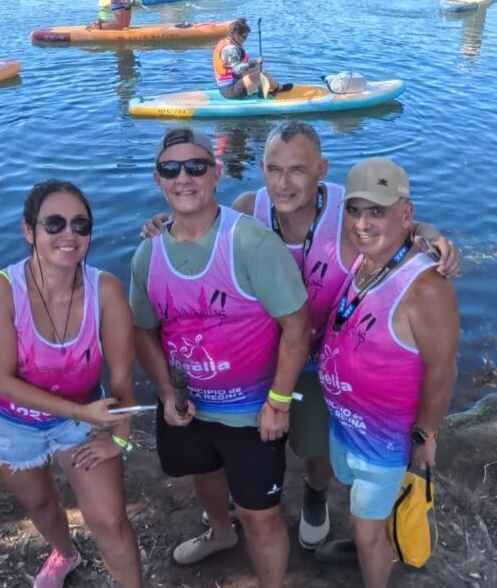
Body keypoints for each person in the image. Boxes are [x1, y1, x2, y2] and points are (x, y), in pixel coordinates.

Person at [141, 122, 459, 555]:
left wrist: (431, 234)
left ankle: (314, 492)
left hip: (317, 361)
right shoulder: (249, 207)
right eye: (274, 169)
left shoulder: (346, 214)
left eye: (298, 170)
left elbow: (396, 222)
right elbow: (202, 227)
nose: (283, 183)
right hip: (259, 358)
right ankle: (238, 497)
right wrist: (162, 224)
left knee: (314, 445)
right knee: (238, 436)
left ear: (321, 170)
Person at [130, 127, 310, 588]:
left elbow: (296, 325)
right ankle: (218, 531)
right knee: (204, 476)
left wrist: (279, 400)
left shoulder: (251, 242)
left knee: (261, 515)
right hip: (189, 407)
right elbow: (143, 331)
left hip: (252, 409)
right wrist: (165, 392)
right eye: (171, 169)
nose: (183, 177)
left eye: (195, 166)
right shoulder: (147, 253)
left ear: (214, 173)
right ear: (159, 181)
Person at [0, 180, 152, 588]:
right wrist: (82, 413)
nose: (68, 235)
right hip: (12, 420)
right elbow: (3, 380)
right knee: (38, 503)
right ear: (28, 231)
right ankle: (64, 552)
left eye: (80, 225)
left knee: (110, 520)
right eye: (53, 223)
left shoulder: (105, 291)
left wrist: (119, 437)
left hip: (82, 417)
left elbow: (122, 380)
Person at [317, 158, 459, 588]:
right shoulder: (366, 259)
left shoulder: (426, 287)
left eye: (376, 211)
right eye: (354, 210)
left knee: (368, 527)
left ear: (405, 213)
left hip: (383, 441)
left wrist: (426, 434)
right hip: (345, 425)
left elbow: (443, 371)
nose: (361, 222)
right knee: (356, 503)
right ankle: (365, 542)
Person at [213, 18, 293, 100]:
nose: (245, 40)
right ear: (236, 34)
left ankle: (276, 88)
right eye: (244, 37)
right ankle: (266, 92)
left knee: (259, 69)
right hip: (231, 90)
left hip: (233, 83)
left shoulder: (228, 42)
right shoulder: (231, 49)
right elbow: (237, 69)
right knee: (260, 75)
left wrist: (255, 66)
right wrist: (254, 62)